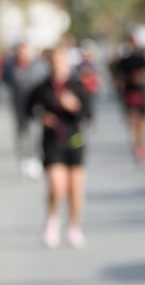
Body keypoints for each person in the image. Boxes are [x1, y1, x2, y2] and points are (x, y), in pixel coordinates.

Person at [25, 45, 93, 248]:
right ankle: (52, 222)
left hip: (75, 141)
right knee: (57, 187)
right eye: (54, 62)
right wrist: (41, 117)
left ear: (67, 64)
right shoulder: (42, 87)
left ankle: (74, 228)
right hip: (52, 142)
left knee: (75, 189)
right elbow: (29, 109)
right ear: (49, 64)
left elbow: (88, 114)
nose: (58, 66)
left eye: (62, 62)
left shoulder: (77, 86)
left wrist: (75, 106)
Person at [3, 41, 49, 179]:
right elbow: (7, 81)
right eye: (20, 52)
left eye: (25, 51)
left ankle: (36, 158)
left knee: (36, 131)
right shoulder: (11, 66)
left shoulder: (39, 66)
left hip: (36, 106)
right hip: (19, 105)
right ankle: (24, 159)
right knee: (21, 132)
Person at [113, 34, 145, 162]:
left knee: (142, 121)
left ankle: (141, 143)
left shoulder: (143, 57)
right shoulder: (125, 60)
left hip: (141, 92)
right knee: (132, 121)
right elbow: (118, 74)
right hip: (130, 93)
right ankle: (136, 145)